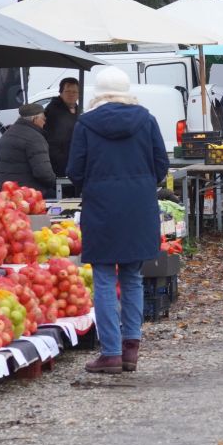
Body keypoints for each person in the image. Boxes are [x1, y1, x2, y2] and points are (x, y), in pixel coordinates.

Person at [68, 67, 169, 374]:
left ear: (97, 93)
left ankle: (110, 352)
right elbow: (161, 164)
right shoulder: (147, 120)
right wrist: (142, 186)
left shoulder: (85, 124)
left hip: (101, 206)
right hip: (139, 206)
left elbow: (75, 169)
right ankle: (130, 351)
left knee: (103, 278)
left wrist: (94, 185)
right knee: (133, 277)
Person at [0, 103, 57, 193]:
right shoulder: (35, 138)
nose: (44, 122)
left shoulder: (5, 136)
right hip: (28, 194)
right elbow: (43, 173)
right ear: (35, 119)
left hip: (6, 193)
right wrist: (54, 183)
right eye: (43, 119)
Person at [43, 77, 81, 177]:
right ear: (60, 93)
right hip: (58, 162)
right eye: (67, 91)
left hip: (73, 159)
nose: (71, 94)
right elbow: (52, 140)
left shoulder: (78, 109)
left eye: (74, 92)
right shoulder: (53, 110)